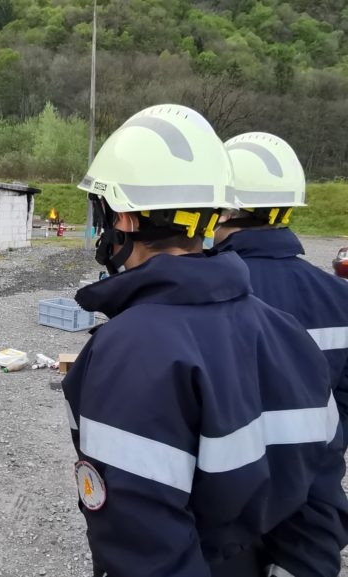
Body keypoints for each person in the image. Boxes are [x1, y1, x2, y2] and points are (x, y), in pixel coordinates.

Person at [63, 104, 348, 577]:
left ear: (126, 219)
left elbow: (144, 547)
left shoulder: (128, 351)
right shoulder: (285, 331)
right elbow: (318, 485)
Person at [213, 132, 348, 438]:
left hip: (229, 479)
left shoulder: (204, 292)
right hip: (314, 483)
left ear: (227, 210)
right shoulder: (341, 298)